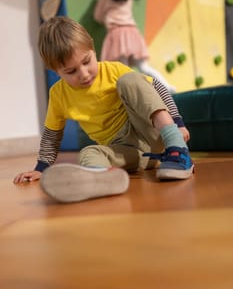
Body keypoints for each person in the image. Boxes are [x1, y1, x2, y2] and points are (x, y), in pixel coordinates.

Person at [13, 16, 194, 203]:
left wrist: (177, 122)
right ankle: (101, 179)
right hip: (130, 153)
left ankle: (177, 148)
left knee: (130, 80)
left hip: (150, 133)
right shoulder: (58, 94)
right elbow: (52, 135)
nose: (84, 74)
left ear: (93, 49)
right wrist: (40, 168)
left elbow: (156, 86)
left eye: (86, 62)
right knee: (88, 153)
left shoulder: (113, 70)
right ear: (56, 71)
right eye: (71, 71)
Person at [93, 0, 176, 93]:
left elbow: (97, 16)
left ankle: (130, 97)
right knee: (144, 67)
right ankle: (166, 87)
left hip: (116, 34)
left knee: (123, 70)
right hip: (132, 33)